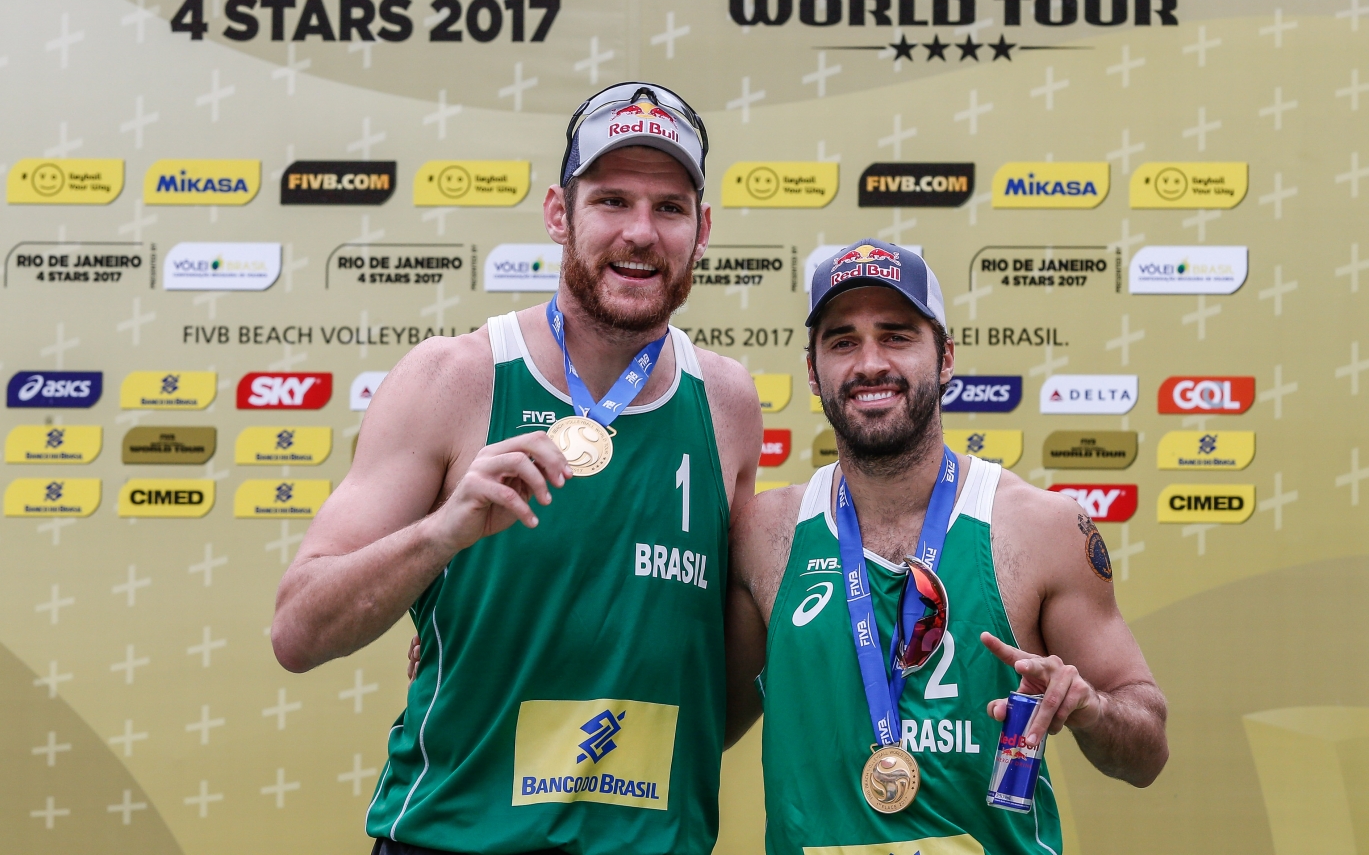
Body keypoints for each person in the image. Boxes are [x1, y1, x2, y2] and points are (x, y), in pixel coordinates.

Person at [271, 82, 762, 855]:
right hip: (455, 840)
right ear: (558, 214)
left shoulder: (727, 401)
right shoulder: (454, 377)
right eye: (610, 201)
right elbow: (298, 631)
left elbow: (719, 664)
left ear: (701, 229)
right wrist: (441, 537)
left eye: (668, 208)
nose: (640, 232)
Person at [725, 240, 1168, 854]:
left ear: (945, 358)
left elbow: (1146, 751)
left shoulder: (1042, 529)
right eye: (843, 341)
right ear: (812, 369)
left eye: (897, 335)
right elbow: (705, 725)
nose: (869, 363)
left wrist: (1092, 708)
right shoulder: (764, 534)